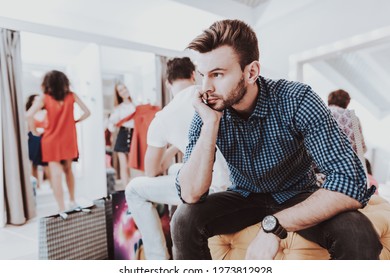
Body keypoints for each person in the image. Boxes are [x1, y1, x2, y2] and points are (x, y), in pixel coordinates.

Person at [171, 19, 382, 260]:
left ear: (251, 72)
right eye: (202, 76)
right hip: (245, 196)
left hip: (297, 193)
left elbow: (350, 179)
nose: (205, 87)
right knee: (184, 219)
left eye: (217, 74)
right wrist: (210, 123)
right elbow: (190, 194)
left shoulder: (297, 99)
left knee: (357, 233)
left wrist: (275, 225)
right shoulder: (208, 108)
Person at [125, 57, 230, 259]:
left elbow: (151, 171)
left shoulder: (163, 117)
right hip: (230, 182)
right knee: (175, 170)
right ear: (193, 75)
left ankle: (158, 260)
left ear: (167, 83)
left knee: (134, 189)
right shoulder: (213, 95)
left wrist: (173, 145)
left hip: (211, 189)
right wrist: (177, 145)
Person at [26, 70, 90, 212]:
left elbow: (28, 115)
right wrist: (74, 121)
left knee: (56, 175)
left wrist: (34, 132)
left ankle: (61, 208)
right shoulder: (71, 96)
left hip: (50, 141)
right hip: (68, 139)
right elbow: (87, 112)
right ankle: (72, 201)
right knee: (69, 171)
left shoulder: (45, 97)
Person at [108, 84, 136, 186]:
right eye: (120, 90)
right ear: (118, 94)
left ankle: (134, 189)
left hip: (134, 135)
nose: (124, 91)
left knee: (133, 166)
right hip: (122, 134)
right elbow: (111, 124)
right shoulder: (118, 108)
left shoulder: (136, 105)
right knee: (124, 166)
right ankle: (127, 191)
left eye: (124, 88)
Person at [327, 89, 367, 154]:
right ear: (347, 101)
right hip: (346, 161)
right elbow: (361, 147)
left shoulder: (324, 111)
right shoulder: (353, 117)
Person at [25, 94, 49, 189]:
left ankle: (49, 183)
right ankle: (36, 185)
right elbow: (28, 129)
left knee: (46, 163)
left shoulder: (45, 113)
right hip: (33, 139)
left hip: (44, 138)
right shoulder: (29, 113)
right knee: (34, 163)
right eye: (35, 100)